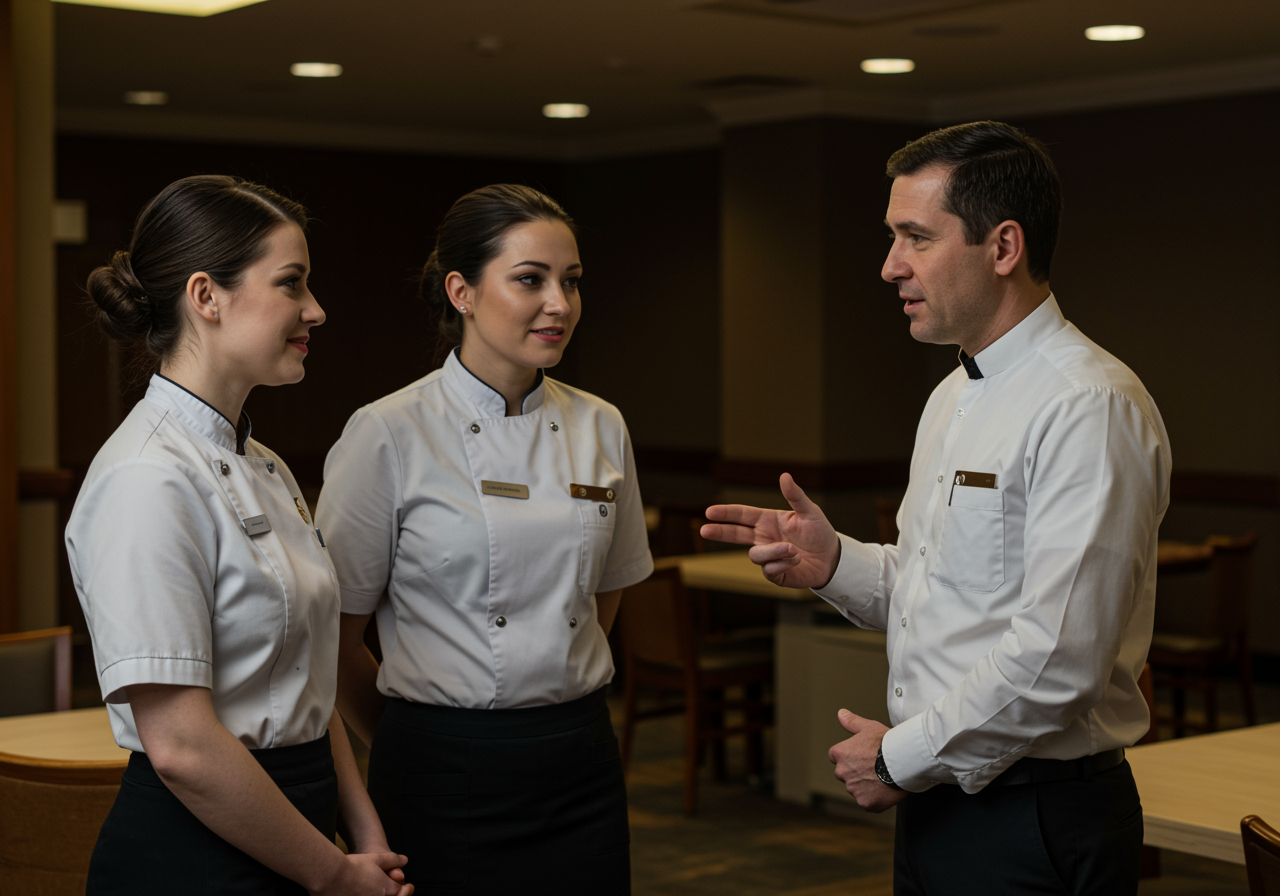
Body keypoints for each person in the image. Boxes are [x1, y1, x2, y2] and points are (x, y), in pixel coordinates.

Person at [702, 121, 1171, 895]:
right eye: (893, 238)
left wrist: (899, 756)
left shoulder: (1088, 404)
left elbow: (1059, 659)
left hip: (1036, 815)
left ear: (1004, 246)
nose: (890, 266)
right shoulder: (952, 393)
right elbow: (947, 592)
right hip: (941, 803)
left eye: (915, 237)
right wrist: (836, 564)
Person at [65, 175, 412, 896]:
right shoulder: (145, 475)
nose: (315, 309)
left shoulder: (267, 465)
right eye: (292, 284)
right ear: (206, 297)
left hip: (308, 828)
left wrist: (365, 831)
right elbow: (183, 748)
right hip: (196, 852)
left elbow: (308, 683)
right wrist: (333, 875)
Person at [317, 184, 654, 893]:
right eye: (530, 280)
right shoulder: (388, 432)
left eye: (571, 281)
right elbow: (335, 640)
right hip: (443, 767)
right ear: (462, 291)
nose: (558, 303)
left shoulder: (602, 425)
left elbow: (603, 596)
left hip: (581, 759)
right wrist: (421, 742)